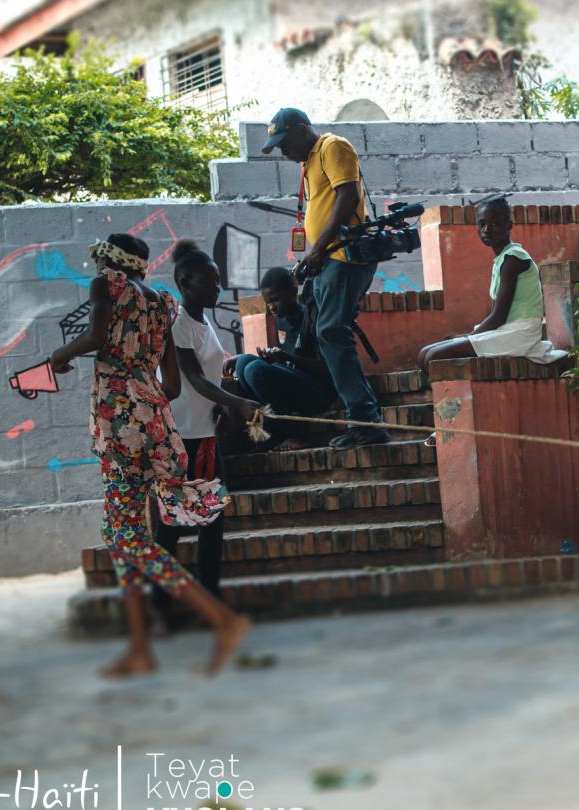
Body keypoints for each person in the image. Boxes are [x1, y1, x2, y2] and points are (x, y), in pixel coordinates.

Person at [50, 233, 249, 677]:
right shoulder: (163, 303)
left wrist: (59, 356)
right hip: (155, 425)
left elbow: (98, 334)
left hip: (120, 429)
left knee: (129, 538)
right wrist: (141, 392)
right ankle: (139, 645)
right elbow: (174, 387)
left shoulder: (107, 287)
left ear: (109, 264)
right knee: (122, 533)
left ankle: (223, 621)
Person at [263, 107, 389, 449]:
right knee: (324, 331)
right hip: (327, 258)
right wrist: (311, 256)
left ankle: (366, 420)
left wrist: (319, 250)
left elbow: (348, 197)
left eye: (284, 142)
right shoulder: (308, 163)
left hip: (343, 256)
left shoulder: (333, 146)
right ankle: (358, 414)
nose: (283, 152)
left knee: (332, 331)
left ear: (302, 130)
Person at [150, 240, 262, 622]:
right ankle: (164, 607)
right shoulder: (180, 324)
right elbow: (195, 379)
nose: (218, 288)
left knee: (211, 522)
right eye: (211, 282)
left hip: (202, 434)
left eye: (218, 281)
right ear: (185, 281)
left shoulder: (201, 318)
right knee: (172, 526)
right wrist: (236, 403)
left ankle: (206, 600)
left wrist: (223, 407)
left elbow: (210, 376)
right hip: (180, 438)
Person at [417, 195, 563, 370]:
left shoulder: (514, 259)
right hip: (503, 330)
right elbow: (496, 315)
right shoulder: (501, 260)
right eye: (481, 224)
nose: (486, 229)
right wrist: (469, 337)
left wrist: (469, 337)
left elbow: (498, 317)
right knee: (424, 353)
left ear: (508, 226)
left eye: (493, 224)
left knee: (433, 355)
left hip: (519, 333)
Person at [227, 266, 339, 450]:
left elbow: (327, 368)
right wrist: (273, 358)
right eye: (268, 302)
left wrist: (286, 357)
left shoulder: (311, 318)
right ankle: (264, 433)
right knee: (244, 363)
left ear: (293, 291)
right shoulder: (280, 321)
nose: (272, 307)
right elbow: (284, 365)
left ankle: (291, 433)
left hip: (319, 392)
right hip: (294, 385)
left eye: (276, 300)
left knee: (255, 370)